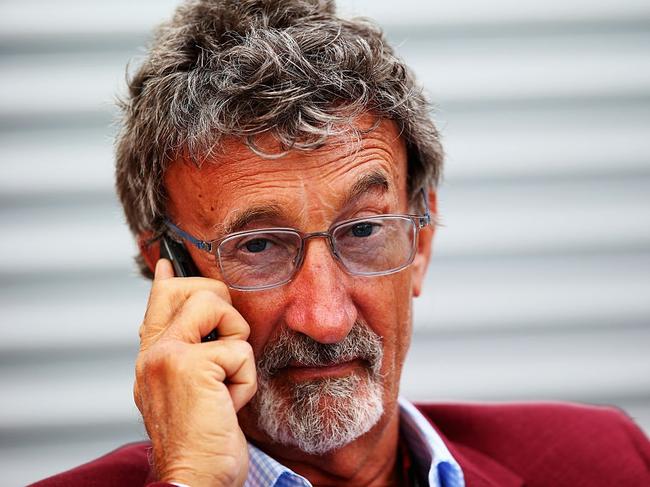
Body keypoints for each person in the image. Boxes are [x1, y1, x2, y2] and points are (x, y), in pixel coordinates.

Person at [32, 1, 649, 486]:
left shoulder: (608, 461)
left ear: (422, 241)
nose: (325, 319)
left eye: (363, 231)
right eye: (259, 247)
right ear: (169, 270)